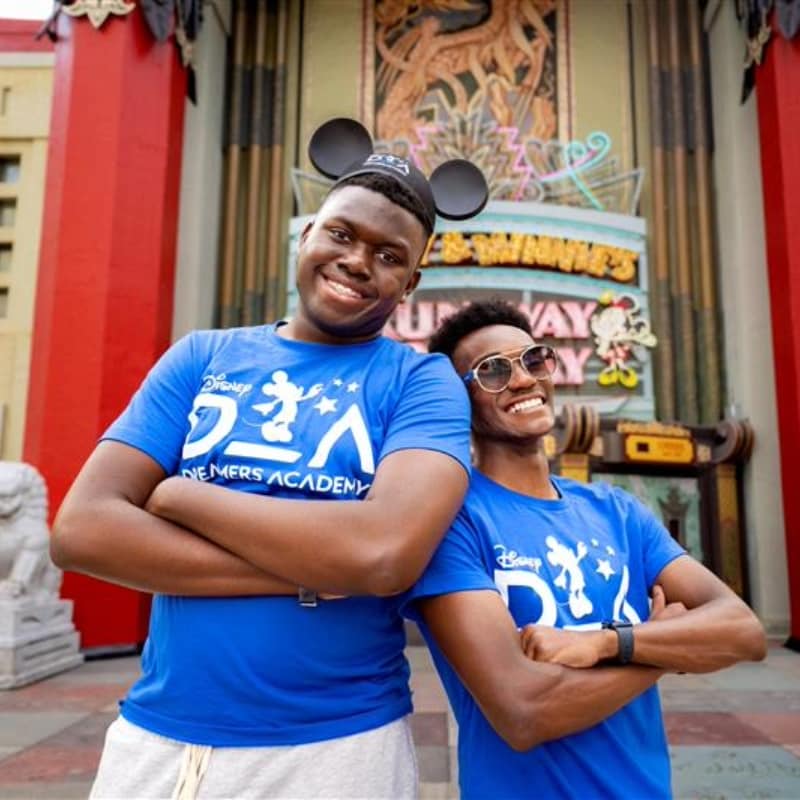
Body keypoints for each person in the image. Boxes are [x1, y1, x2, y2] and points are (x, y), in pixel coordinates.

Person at [51, 120, 487, 799]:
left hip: (339, 748)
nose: (357, 260)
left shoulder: (420, 382)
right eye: (340, 233)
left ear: (411, 282)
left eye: (388, 255)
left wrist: (177, 499)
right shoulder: (203, 356)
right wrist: (313, 569)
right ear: (308, 232)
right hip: (156, 741)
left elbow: (383, 557)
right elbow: (82, 531)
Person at [404, 298, 767, 800]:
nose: (524, 379)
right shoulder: (453, 521)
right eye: (492, 371)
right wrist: (663, 646)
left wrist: (606, 643)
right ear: (459, 401)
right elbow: (523, 712)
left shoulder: (619, 511)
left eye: (533, 360)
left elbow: (743, 631)